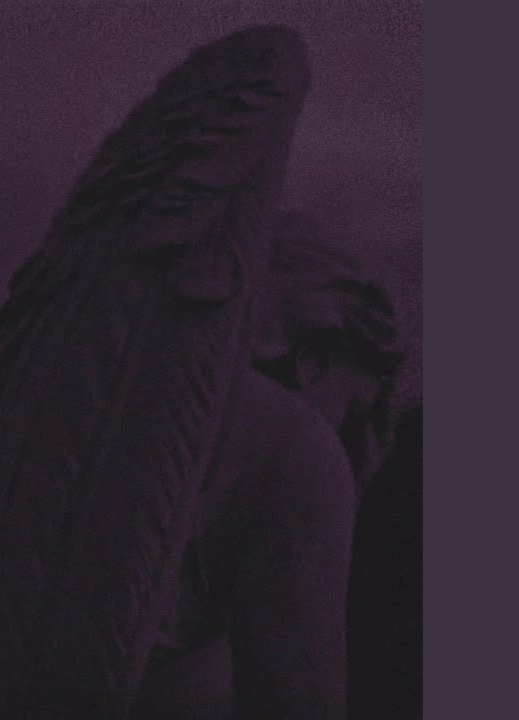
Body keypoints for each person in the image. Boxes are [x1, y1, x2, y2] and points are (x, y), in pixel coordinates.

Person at [134, 215, 405, 719]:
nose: (360, 450)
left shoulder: (148, 410)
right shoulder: (296, 445)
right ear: (312, 360)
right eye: (356, 418)